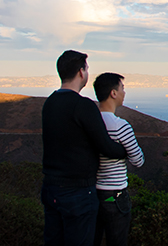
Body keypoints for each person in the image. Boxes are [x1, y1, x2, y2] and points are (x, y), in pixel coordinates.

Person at [42, 50, 127, 246]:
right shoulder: (83, 106)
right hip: (78, 192)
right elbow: (105, 146)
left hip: (51, 187)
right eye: (87, 69)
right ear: (81, 72)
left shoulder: (50, 103)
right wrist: (125, 152)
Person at [92, 73, 144, 246]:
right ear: (113, 93)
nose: (124, 92)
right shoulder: (120, 126)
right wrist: (124, 152)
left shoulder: (89, 123)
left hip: (91, 194)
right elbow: (138, 160)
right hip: (115, 195)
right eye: (122, 88)